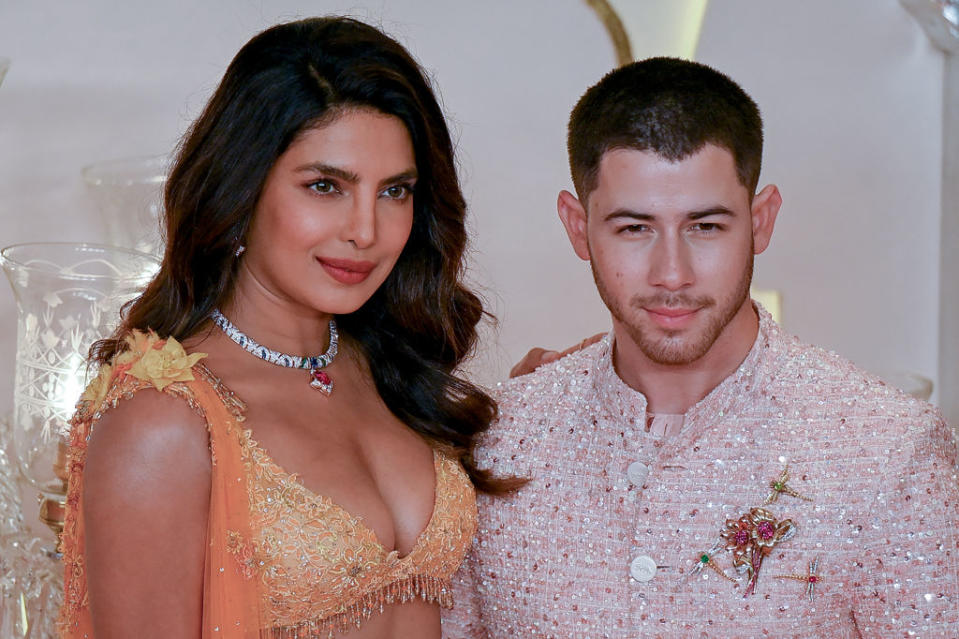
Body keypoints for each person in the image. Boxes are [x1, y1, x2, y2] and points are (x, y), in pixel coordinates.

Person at [443, 57, 959, 637]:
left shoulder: (889, 453)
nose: (672, 273)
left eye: (706, 227)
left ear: (761, 221)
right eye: (634, 228)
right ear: (576, 225)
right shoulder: (495, 444)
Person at [57, 16, 516, 639]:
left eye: (395, 191)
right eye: (326, 186)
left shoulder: (389, 371)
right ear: (241, 189)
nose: (366, 231)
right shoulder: (163, 417)